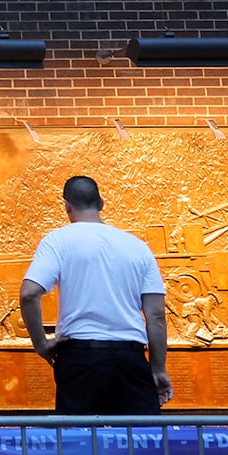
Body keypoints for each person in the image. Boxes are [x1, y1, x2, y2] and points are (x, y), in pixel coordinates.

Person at [20, 175, 172, 414]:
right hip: (130, 357)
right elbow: (156, 316)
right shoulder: (138, 247)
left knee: (79, 435)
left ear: (67, 206)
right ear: (101, 203)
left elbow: (29, 294)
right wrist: (158, 369)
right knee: (141, 435)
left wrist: (41, 344)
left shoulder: (57, 241)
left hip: (79, 357)